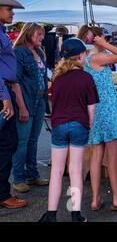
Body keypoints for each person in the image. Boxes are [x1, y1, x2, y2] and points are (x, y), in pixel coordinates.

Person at [39, 38, 99, 222]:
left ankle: (51, 215)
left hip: (59, 126)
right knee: (75, 170)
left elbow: (55, 104)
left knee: (57, 170)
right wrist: (88, 127)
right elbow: (91, 109)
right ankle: (75, 215)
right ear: (81, 55)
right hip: (79, 125)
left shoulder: (57, 79)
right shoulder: (87, 78)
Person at [77, 25, 117, 211]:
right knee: (113, 156)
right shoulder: (96, 57)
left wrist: (103, 44)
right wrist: (105, 44)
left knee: (97, 155)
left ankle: (95, 199)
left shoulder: (86, 59)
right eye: (103, 36)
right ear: (97, 38)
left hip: (95, 110)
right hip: (106, 110)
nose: (106, 39)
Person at [12, 23, 50, 193]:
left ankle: (32, 174)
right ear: (28, 34)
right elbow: (15, 82)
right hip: (26, 100)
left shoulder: (39, 52)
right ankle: (19, 178)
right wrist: (21, 106)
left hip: (40, 100)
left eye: (42, 35)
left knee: (33, 140)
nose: (41, 38)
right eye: (38, 34)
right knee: (22, 141)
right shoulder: (19, 52)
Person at [0, 0, 27, 209]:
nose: (12, 12)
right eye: (9, 9)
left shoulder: (2, 32)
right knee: (7, 143)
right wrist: (5, 97)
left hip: (5, 91)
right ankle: (2, 194)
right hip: (2, 94)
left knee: (8, 143)